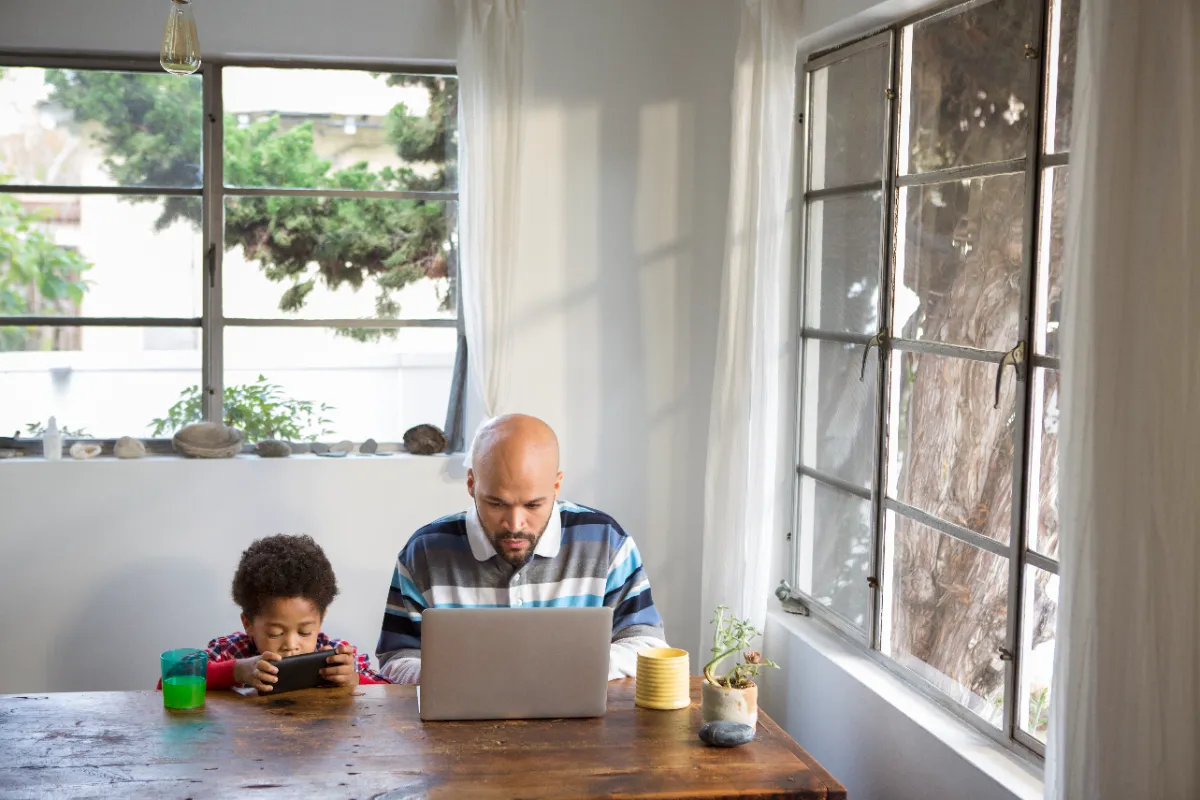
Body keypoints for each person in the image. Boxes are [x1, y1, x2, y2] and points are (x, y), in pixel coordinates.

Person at [376, 414, 669, 685]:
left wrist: (567, 670)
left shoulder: (607, 542)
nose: (515, 524)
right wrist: (463, 677)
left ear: (556, 486)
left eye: (533, 505)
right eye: (496, 503)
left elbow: (647, 642)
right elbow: (396, 658)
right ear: (471, 483)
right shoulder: (423, 553)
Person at [203, 534, 388, 691]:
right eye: (275, 633)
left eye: (304, 632)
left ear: (321, 619)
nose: (291, 645)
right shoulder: (232, 651)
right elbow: (179, 674)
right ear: (248, 624)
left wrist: (353, 680)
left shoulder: (337, 656)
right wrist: (238, 671)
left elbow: (392, 693)